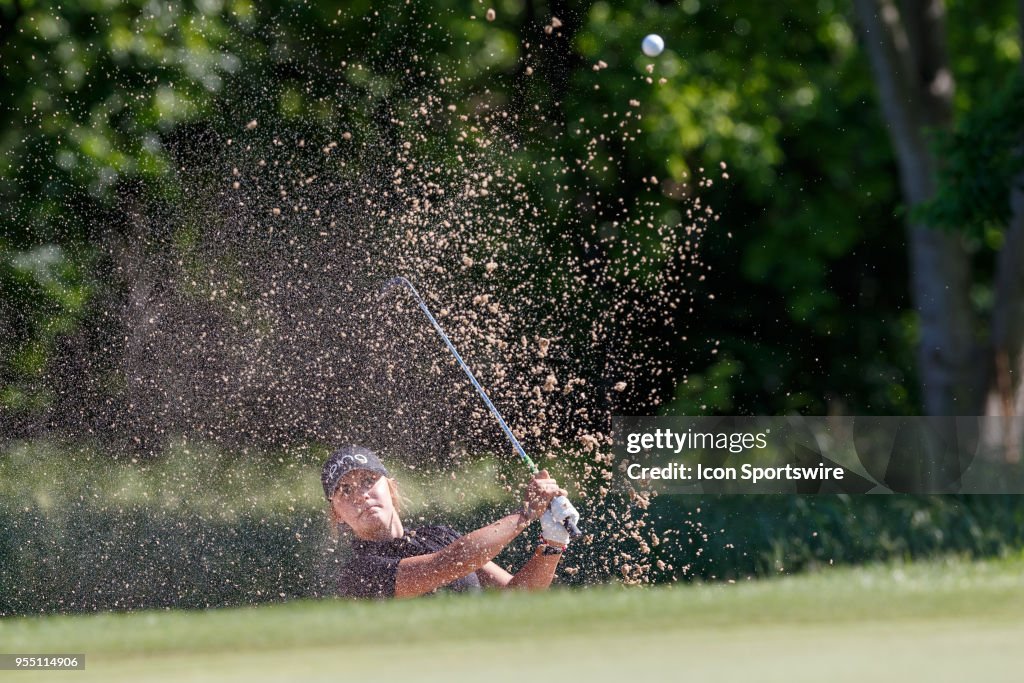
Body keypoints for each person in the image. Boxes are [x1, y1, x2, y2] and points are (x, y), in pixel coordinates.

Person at [322, 445, 574, 599]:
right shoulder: (359, 573)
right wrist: (526, 514)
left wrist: (552, 543)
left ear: (391, 488)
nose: (361, 495)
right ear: (337, 514)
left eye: (368, 480)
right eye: (345, 490)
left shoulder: (438, 537)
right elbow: (449, 562)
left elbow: (518, 597)